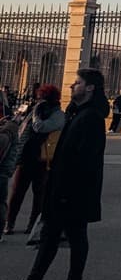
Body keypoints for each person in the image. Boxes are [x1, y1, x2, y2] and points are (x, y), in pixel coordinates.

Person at [2, 67, 109, 280]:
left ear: (90, 87)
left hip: (72, 191)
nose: (72, 85)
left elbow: (87, 161)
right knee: (52, 237)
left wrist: (66, 191)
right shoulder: (76, 113)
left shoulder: (91, 118)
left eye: (77, 82)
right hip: (61, 187)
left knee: (74, 237)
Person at [4, 85, 65, 236]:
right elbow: (23, 130)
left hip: (43, 159)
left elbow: (40, 128)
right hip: (26, 157)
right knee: (16, 192)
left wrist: (36, 115)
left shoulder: (58, 115)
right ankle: (9, 223)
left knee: (39, 195)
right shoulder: (35, 110)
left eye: (42, 98)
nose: (39, 101)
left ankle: (32, 224)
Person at [0, 113, 20, 244]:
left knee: (1, 202)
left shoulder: (6, 132)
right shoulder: (9, 130)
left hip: (1, 172)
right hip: (4, 171)